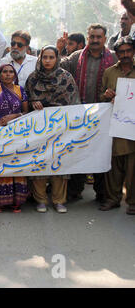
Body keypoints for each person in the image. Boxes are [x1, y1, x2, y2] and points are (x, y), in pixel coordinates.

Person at [60, 24, 117, 204]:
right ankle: (75, 190)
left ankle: (102, 193)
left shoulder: (113, 58)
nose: (94, 40)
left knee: (101, 152)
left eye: (98, 37)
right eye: (92, 37)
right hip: (80, 114)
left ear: (105, 39)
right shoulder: (76, 57)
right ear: (88, 37)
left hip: (104, 115)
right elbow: (57, 68)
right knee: (77, 151)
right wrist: (60, 48)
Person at [25, 46, 80, 213]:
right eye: (45, 57)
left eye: (51, 57)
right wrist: (33, 103)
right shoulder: (33, 79)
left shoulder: (66, 77)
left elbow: (74, 102)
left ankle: (59, 200)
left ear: (57, 59)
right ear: (40, 59)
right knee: (39, 162)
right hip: (38, 129)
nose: (47, 60)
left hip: (60, 128)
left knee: (59, 163)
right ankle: (40, 199)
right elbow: (25, 101)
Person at [0, 64, 29, 213]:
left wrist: (13, 116)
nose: (8, 74)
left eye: (11, 72)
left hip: (16, 133)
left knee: (15, 165)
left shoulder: (20, 90)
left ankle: (16, 202)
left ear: (15, 75)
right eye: (5, 72)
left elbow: (26, 113)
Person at [99, 36, 135, 215]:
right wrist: (107, 95)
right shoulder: (109, 72)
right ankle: (113, 199)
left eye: (129, 51)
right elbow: (101, 98)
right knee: (114, 166)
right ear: (117, 54)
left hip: (133, 128)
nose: (125, 54)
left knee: (133, 167)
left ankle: (133, 203)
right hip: (115, 126)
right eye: (122, 52)